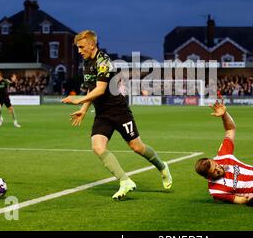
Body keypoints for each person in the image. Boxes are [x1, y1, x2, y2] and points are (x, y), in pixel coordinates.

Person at [62, 30, 172, 200]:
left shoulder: (104, 61)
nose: (79, 50)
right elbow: (92, 87)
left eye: (81, 47)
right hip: (102, 114)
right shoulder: (86, 63)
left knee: (137, 147)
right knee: (97, 146)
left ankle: (162, 166)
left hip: (118, 110)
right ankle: (125, 180)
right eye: (77, 47)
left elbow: (101, 89)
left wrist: (78, 100)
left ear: (92, 44)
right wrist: (83, 110)